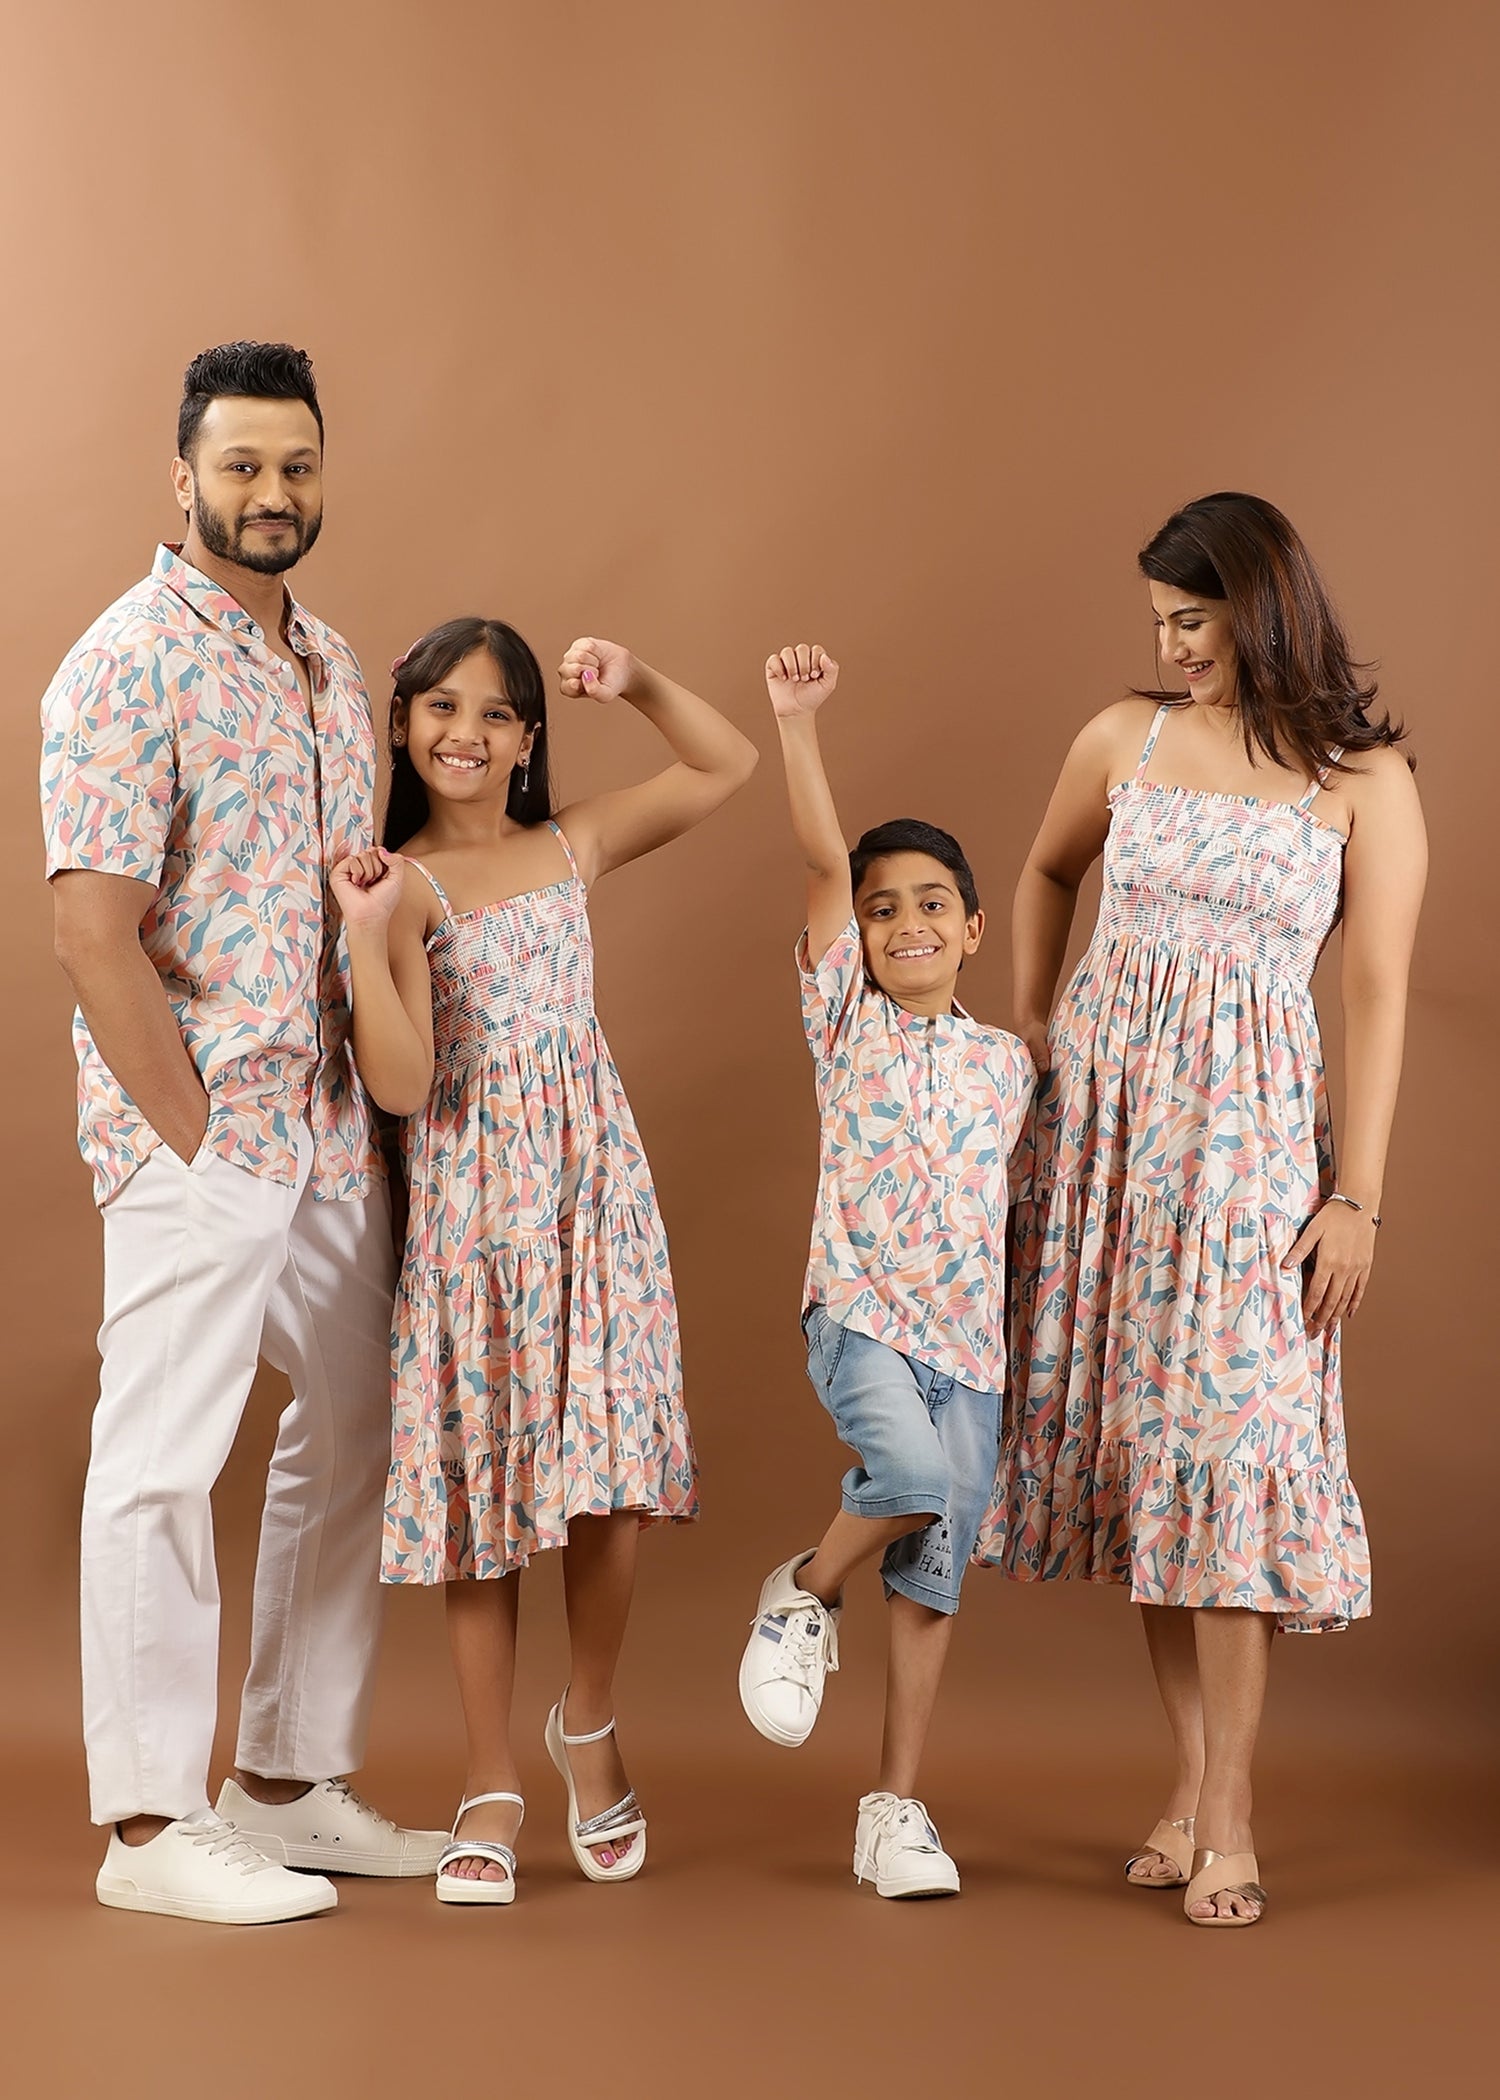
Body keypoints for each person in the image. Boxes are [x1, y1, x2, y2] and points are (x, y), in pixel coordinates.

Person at [41, 341, 446, 1926]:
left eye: (296, 466)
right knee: (159, 1462)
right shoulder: (124, 661)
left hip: (330, 1129)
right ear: (184, 477)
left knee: (361, 1422)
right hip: (199, 1130)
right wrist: (194, 1135)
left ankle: (283, 1783)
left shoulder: (334, 664)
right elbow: (93, 932)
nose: (272, 493)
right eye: (241, 467)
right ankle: (149, 1825)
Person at [981, 492, 1426, 1927]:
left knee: (1229, 1449)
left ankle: (1229, 1808)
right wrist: (1033, 1023)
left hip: (1249, 1157)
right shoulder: (1126, 736)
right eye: (1159, 623)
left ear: (1264, 607)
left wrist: (1359, 1197)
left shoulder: (1364, 783)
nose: (1172, 647)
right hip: (1105, 1141)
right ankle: (1191, 1785)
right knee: (1155, 1462)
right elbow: (1047, 870)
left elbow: (1377, 993)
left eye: (1193, 621)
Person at [330, 618, 757, 1904]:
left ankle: (588, 1715)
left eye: (497, 713)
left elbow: (726, 763)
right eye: (442, 707)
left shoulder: (570, 844)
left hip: (594, 1200)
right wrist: (362, 935)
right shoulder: (401, 884)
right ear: (403, 724)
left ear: (527, 739)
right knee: (486, 1494)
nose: (466, 733)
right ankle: (488, 1777)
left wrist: (637, 681)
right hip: (473, 1224)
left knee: (609, 1476)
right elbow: (401, 1086)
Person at [736, 645, 1034, 1899]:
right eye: (881, 909)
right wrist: (797, 726)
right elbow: (820, 860)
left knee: (934, 1574)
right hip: (862, 1316)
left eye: (932, 904)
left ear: (973, 926)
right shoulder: (846, 1020)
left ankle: (894, 1812)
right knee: (902, 1482)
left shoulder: (1010, 1063)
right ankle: (801, 1594)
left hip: (972, 1350)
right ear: (855, 937)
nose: (908, 923)